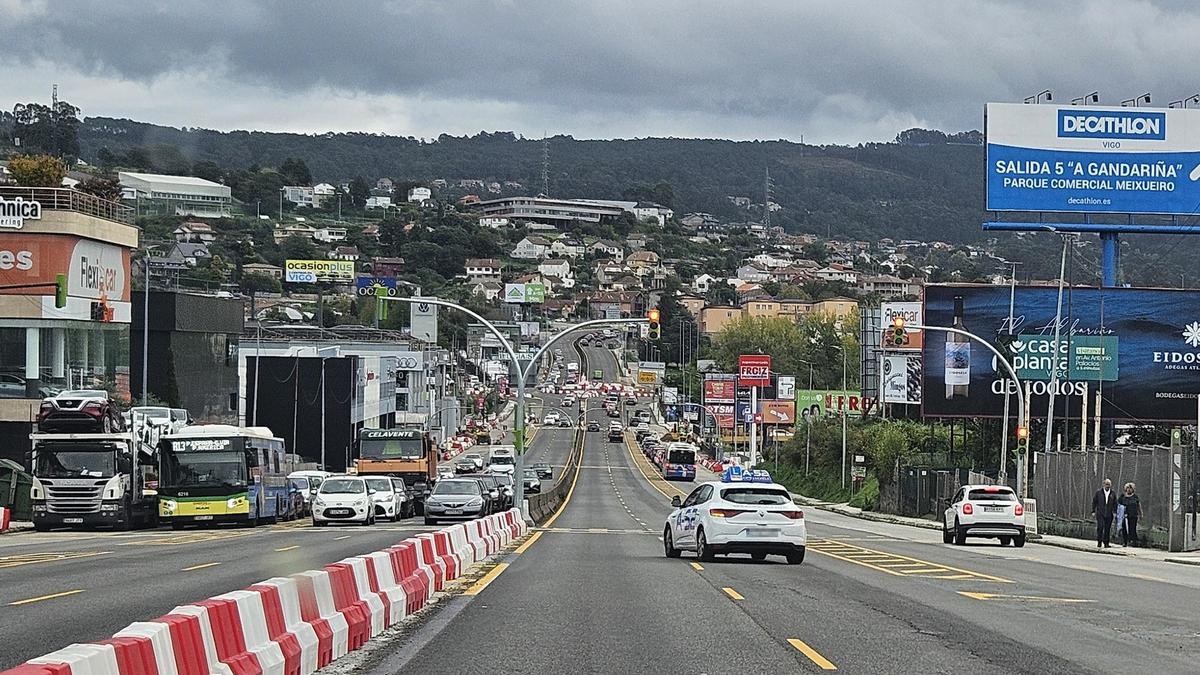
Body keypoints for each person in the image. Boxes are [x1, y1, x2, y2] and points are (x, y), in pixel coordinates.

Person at [1091, 478, 1117, 548]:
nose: (1107, 486)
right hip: (1100, 513)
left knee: (1107, 529)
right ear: (1103, 484)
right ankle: (1099, 541)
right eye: (1106, 484)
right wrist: (1093, 511)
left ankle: (1106, 543)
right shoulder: (1099, 492)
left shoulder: (1112, 493)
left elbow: (1115, 503)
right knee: (1100, 527)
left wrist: (1115, 512)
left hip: (1109, 513)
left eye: (1109, 484)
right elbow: (1094, 502)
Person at [1118, 482, 1141, 547]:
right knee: (1124, 528)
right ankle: (1125, 542)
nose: (1129, 489)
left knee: (1132, 528)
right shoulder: (1122, 497)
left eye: (1130, 488)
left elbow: (1138, 505)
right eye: (1128, 488)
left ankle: (1133, 541)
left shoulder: (1135, 497)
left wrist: (1140, 514)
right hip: (1124, 516)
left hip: (1133, 515)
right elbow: (1118, 505)